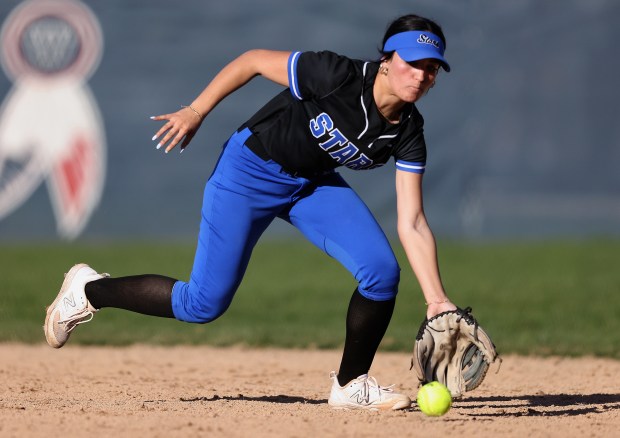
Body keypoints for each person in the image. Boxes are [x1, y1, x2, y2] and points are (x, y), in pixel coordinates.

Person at [44, 13, 458, 411]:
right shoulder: (337, 75)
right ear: (387, 59)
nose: (421, 75)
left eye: (432, 68)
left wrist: (436, 299)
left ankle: (350, 386)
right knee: (201, 305)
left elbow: (414, 221)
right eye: (412, 62)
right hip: (248, 172)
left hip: (310, 184)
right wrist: (196, 110)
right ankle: (87, 291)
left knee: (381, 273)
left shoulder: (407, 131)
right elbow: (253, 61)